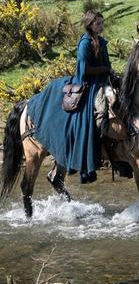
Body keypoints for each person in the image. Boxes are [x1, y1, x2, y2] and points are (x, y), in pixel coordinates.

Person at [29, 10, 113, 186]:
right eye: (98, 23)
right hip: (88, 84)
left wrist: (110, 73)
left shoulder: (101, 42)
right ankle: (97, 138)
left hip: (103, 80)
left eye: (102, 22)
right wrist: (104, 70)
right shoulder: (84, 43)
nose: (101, 25)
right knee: (98, 106)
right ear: (90, 25)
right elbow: (84, 70)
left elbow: (106, 65)